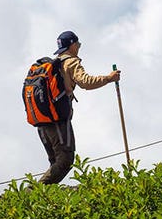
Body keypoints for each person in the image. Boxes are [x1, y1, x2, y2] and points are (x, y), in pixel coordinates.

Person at [37, 30, 120, 185]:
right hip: (58, 119)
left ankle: (42, 200)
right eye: (78, 44)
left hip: (42, 118)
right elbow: (85, 82)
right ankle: (31, 193)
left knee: (56, 162)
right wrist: (109, 78)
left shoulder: (52, 64)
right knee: (65, 160)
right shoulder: (70, 62)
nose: (79, 48)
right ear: (73, 45)